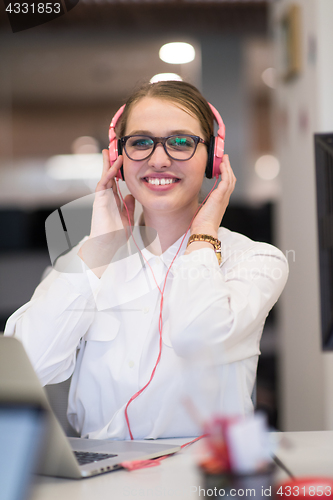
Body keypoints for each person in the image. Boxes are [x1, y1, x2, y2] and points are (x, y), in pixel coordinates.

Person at [4, 81, 288, 440]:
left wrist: (202, 235)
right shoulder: (85, 263)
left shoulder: (254, 260)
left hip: (198, 479)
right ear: (116, 159)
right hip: (100, 482)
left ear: (214, 158)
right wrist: (99, 248)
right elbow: (24, 369)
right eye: (140, 142)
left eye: (181, 142)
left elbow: (195, 337)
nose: (158, 159)